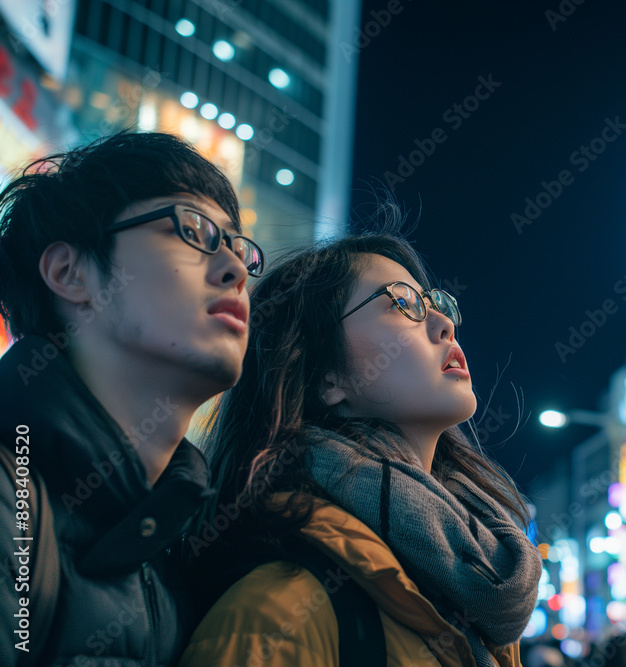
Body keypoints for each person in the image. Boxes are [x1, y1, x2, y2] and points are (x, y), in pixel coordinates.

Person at [180, 221, 542, 666]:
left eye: (435, 303)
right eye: (402, 303)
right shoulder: (279, 610)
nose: (445, 323)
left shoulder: (471, 575)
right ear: (326, 378)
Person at [0, 132, 265, 665]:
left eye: (239, 249)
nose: (235, 270)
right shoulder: (13, 506)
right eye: (194, 231)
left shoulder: (177, 556)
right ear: (69, 273)